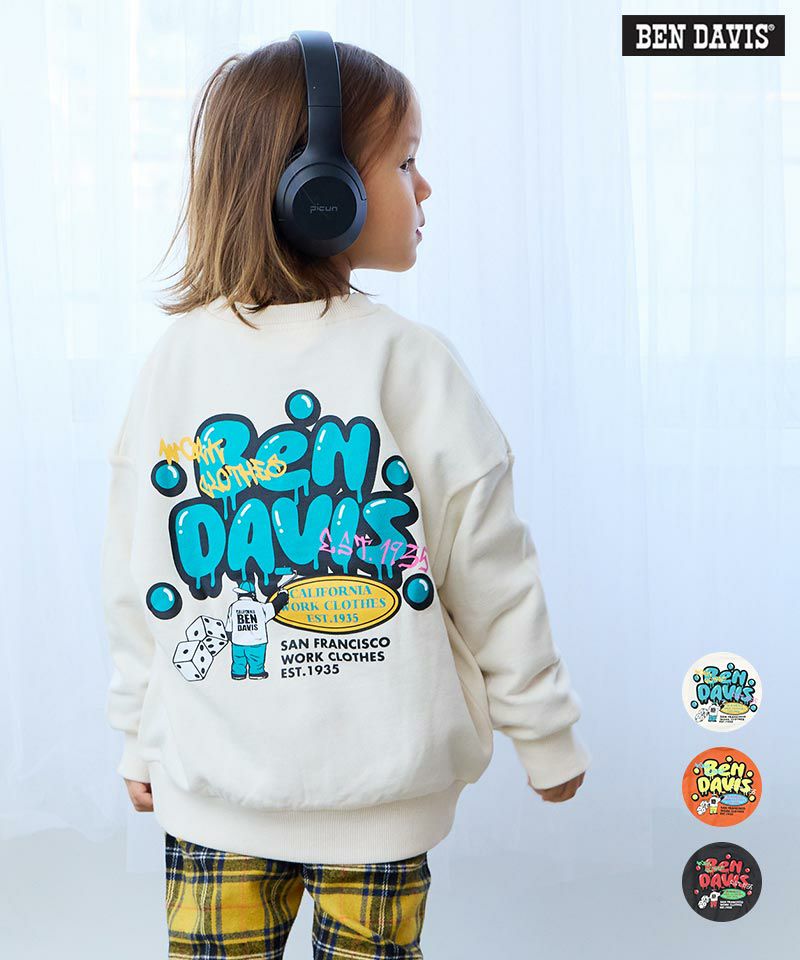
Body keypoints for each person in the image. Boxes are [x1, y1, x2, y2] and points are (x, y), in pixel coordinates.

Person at [101, 33, 590, 959]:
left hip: (380, 798)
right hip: (214, 793)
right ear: (318, 189)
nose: (426, 187)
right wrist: (139, 734)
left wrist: (545, 732)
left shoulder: (409, 364)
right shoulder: (180, 364)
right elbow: (140, 575)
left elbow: (488, 569)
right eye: (405, 163)